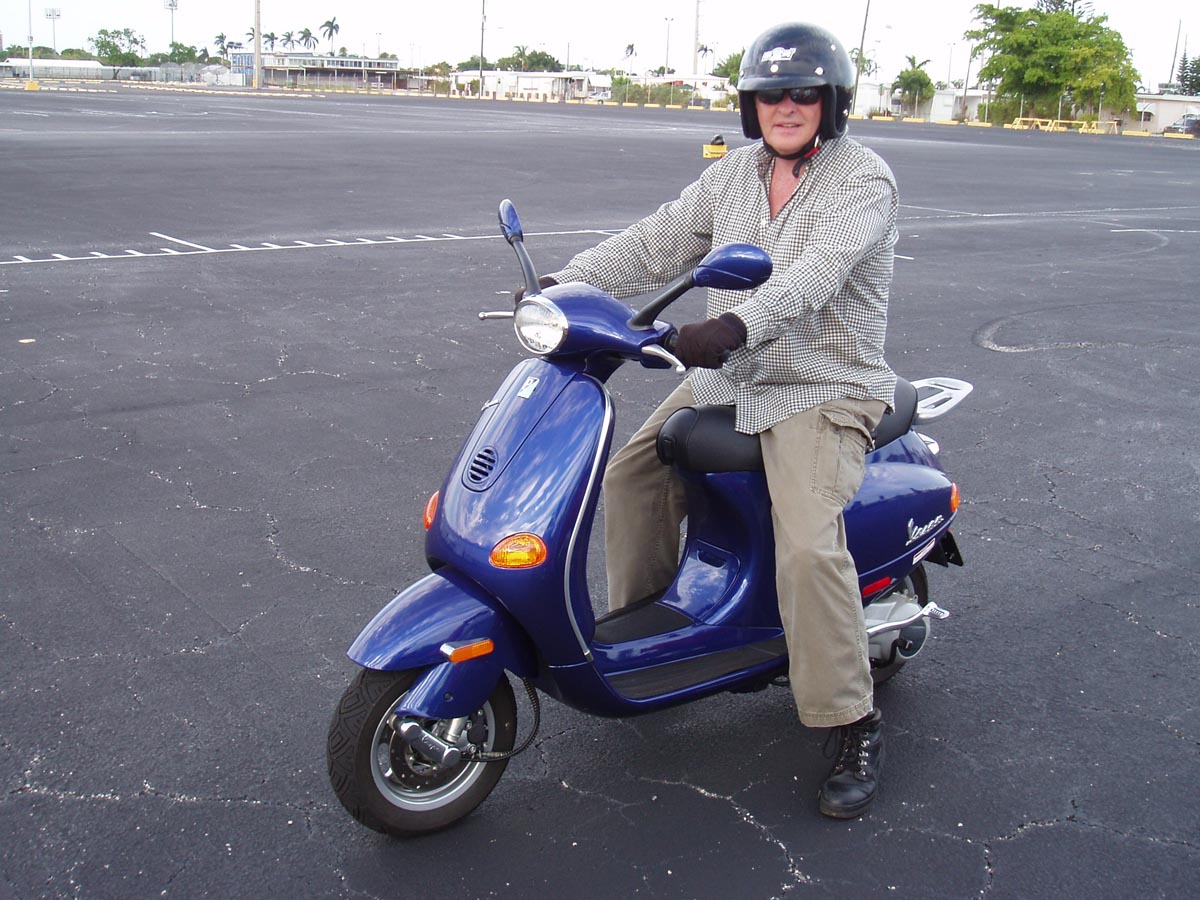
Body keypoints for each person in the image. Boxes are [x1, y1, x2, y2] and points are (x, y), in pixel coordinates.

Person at [540, 22, 898, 818]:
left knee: (807, 546)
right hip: (731, 375)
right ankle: (654, 637)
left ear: (832, 101)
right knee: (629, 474)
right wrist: (565, 285)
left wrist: (733, 325)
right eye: (771, 94)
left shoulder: (863, 180)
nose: (786, 106)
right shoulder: (733, 176)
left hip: (822, 384)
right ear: (750, 105)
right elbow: (655, 243)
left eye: (804, 93)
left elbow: (816, 274)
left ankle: (852, 719)